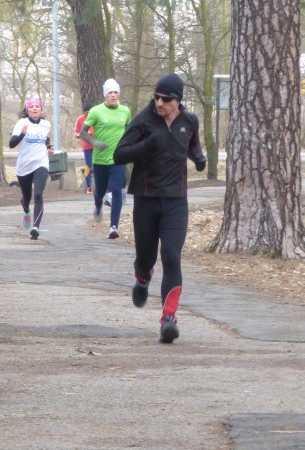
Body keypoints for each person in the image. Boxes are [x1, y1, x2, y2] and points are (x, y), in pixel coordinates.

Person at [113, 73, 206, 344]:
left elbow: (191, 143)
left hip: (176, 200)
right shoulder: (143, 120)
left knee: (171, 255)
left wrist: (198, 157)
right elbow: (119, 154)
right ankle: (142, 277)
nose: (159, 103)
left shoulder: (189, 121)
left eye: (165, 99)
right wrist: (146, 145)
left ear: (177, 101)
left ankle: (169, 318)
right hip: (146, 199)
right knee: (146, 257)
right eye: (156, 97)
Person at [79, 79, 131, 239]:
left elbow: (130, 130)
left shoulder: (125, 111)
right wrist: (94, 142)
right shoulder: (96, 111)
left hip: (118, 159)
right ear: (105, 95)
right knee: (100, 192)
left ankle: (114, 227)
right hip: (100, 160)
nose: (113, 95)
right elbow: (83, 132)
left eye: (116, 92)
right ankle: (97, 205)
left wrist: (128, 146)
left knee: (116, 191)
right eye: (110, 92)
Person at [9, 97, 54, 240]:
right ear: (27, 110)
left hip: (41, 162)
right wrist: (22, 134)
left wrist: (48, 147)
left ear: (41, 110)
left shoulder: (46, 124)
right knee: (27, 197)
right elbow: (11, 144)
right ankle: (26, 210)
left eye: (37, 106)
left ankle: (35, 227)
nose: (34, 108)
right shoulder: (22, 123)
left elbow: (45, 139)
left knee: (38, 195)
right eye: (31, 106)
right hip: (24, 165)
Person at [73, 102, 94, 194]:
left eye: (90, 112)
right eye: (86, 112)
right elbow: (76, 133)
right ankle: (89, 187)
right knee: (88, 166)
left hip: (97, 145)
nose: (88, 114)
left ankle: (103, 186)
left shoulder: (97, 118)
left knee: (99, 165)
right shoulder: (80, 119)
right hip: (87, 146)